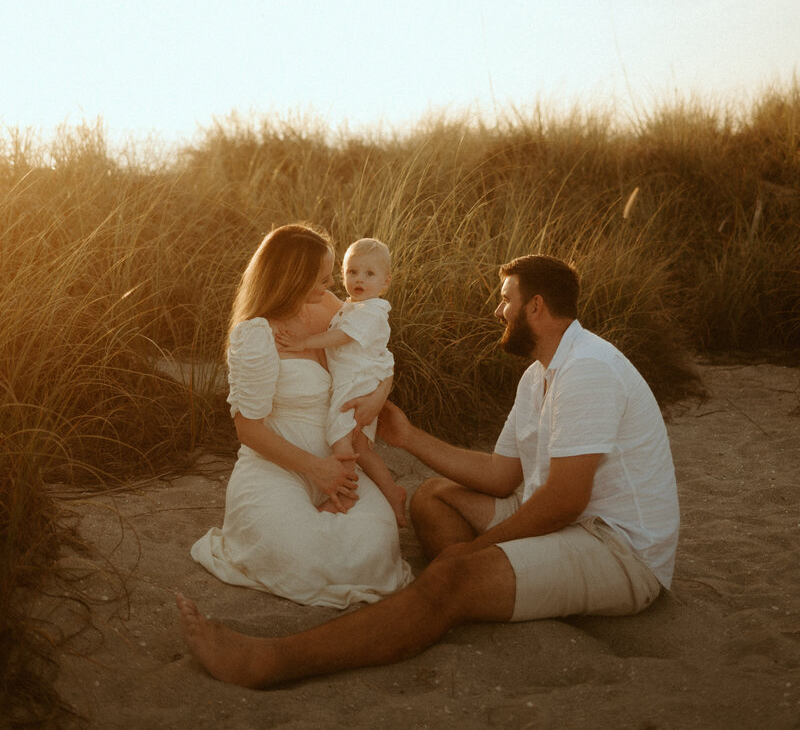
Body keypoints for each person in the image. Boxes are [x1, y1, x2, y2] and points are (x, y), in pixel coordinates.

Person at [177, 252, 680, 688]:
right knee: (432, 497)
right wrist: (408, 437)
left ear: (536, 307)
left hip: (615, 549)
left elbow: (566, 500)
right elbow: (503, 476)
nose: (498, 310)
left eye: (506, 300)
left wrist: (470, 554)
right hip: (564, 522)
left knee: (451, 576)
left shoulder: (587, 369)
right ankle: (482, 589)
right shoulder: (540, 374)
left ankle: (270, 660)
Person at [189, 223, 413, 609]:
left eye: (330, 277)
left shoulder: (330, 309)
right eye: (322, 278)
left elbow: (376, 352)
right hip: (276, 466)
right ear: (292, 279)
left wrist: (380, 394)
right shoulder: (255, 334)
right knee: (302, 556)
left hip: (340, 464)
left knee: (375, 546)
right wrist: (316, 469)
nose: (331, 286)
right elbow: (248, 431)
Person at [274, 238, 407, 527]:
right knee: (362, 447)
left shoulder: (371, 311)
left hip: (357, 385)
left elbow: (342, 337)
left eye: (369, 274)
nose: (358, 279)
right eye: (352, 272)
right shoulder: (351, 307)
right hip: (356, 380)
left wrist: (303, 342)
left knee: (340, 437)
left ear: (386, 282)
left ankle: (346, 491)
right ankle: (393, 493)